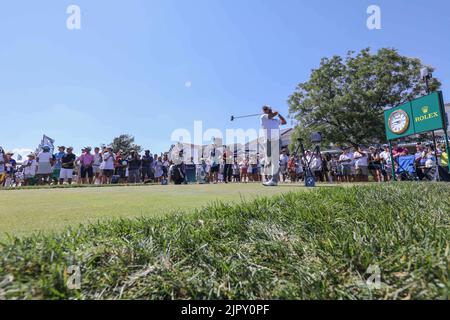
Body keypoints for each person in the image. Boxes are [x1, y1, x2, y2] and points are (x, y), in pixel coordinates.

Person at [261, 105, 287, 187]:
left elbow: (284, 122)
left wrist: (278, 114)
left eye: (267, 109)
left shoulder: (276, 120)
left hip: (276, 140)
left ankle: (274, 180)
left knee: (275, 160)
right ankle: (270, 178)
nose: (265, 110)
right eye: (264, 109)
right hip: (268, 141)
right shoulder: (263, 117)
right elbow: (271, 115)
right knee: (268, 161)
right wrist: (275, 112)